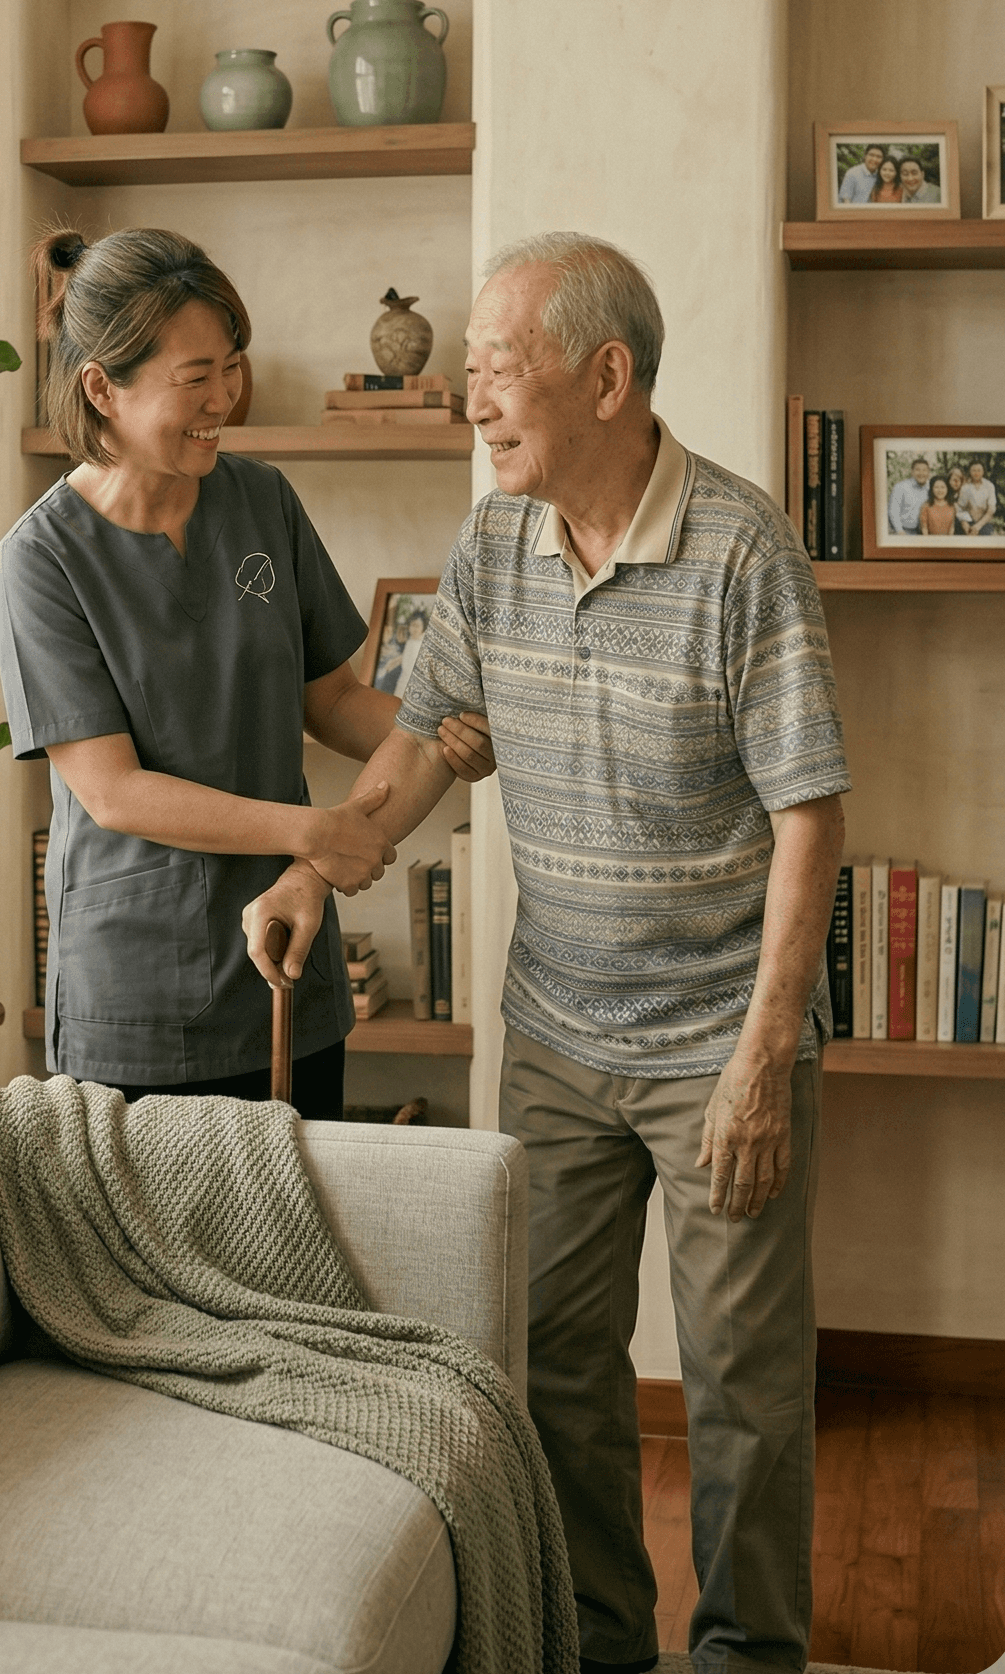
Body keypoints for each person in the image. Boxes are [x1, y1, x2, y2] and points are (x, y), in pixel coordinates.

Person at [243, 232, 848, 1674]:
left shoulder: (743, 552)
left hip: (717, 1049)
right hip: (561, 1039)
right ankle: (600, 1644)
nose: (473, 400)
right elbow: (424, 742)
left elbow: (810, 817)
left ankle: (750, 1656)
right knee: (557, 1364)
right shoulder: (494, 543)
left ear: (608, 375)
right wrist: (317, 867)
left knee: (741, 1387)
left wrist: (763, 1058)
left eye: (499, 371)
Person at [0, 228, 493, 1122]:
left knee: (296, 1248)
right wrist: (316, 830)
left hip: (285, 962)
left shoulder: (260, 499)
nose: (225, 396)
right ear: (101, 387)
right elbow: (113, 792)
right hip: (136, 985)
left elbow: (332, 699)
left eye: (231, 366)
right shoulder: (42, 557)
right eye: (196, 378)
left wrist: (440, 731)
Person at [888, 455, 932, 536]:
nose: (921, 473)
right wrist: (899, 530)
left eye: (924, 470)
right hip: (904, 531)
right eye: (918, 470)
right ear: (912, 472)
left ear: (929, 472)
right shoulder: (900, 487)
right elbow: (893, 511)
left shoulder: (932, 487)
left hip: (925, 532)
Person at [957, 459, 998, 536]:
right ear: (969, 471)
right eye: (973, 470)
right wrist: (965, 525)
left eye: (979, 470)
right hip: (968, 521)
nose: (976, 473)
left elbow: (991, 509)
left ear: (983, 471)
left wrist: (977, 526)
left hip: (985, 522)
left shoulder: (989, 486)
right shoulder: (965, 488)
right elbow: (960, 508)